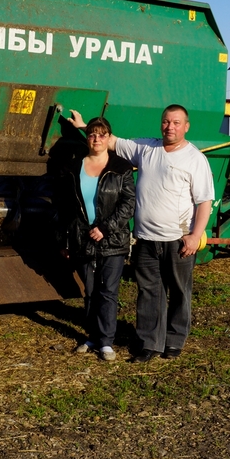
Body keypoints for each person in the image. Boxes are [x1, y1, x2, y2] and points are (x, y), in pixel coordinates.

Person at [68, 105, 214, 363]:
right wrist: (83, 127)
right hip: (146, 238)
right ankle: (149, 343)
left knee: (179, 291)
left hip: (178, 239)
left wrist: (195, 236)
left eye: (176, 123)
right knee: (149, 292)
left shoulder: (195, 159)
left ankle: (174, 340)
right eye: (166, 122)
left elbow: (204, 202)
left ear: (186, 126)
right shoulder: (146, 149)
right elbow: (109, 141)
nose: (170, 127)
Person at [55, 116, 136, 361]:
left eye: (102, 135)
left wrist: (106, 228)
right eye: (92, 134)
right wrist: (64, 240)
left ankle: (106, 342)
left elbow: (128, 203)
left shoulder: (121, 168)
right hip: (83, 239)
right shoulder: (73, 167)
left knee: (108, 291)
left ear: (108, 137)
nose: (97, 139)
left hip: (112, 241)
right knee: (90, 291)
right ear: (87, 137)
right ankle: (91, 336)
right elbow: (64, 207)